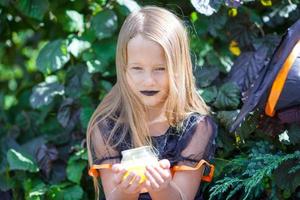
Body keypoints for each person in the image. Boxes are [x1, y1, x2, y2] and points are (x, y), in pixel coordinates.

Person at [86, 6, 217, 200]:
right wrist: (126, 191)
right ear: (123, 68)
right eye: (137, 68)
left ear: (179, 67)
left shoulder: (196, 128)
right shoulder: (107, 128)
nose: (149, 80)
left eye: (160, 69)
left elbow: (183, 196)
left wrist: (161, 189)